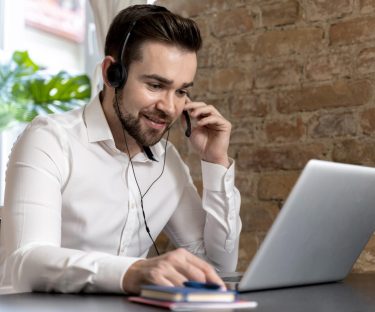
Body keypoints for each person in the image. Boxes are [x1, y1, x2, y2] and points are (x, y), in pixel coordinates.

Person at [0, 4, 241, 294]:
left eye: (181, 91)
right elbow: (25, 262)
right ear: (112, 73)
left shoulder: (168, 164)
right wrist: (132, 271)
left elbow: (219, 269)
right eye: (155, 85)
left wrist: (215, 161)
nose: (169, 107)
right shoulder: (50, 140)